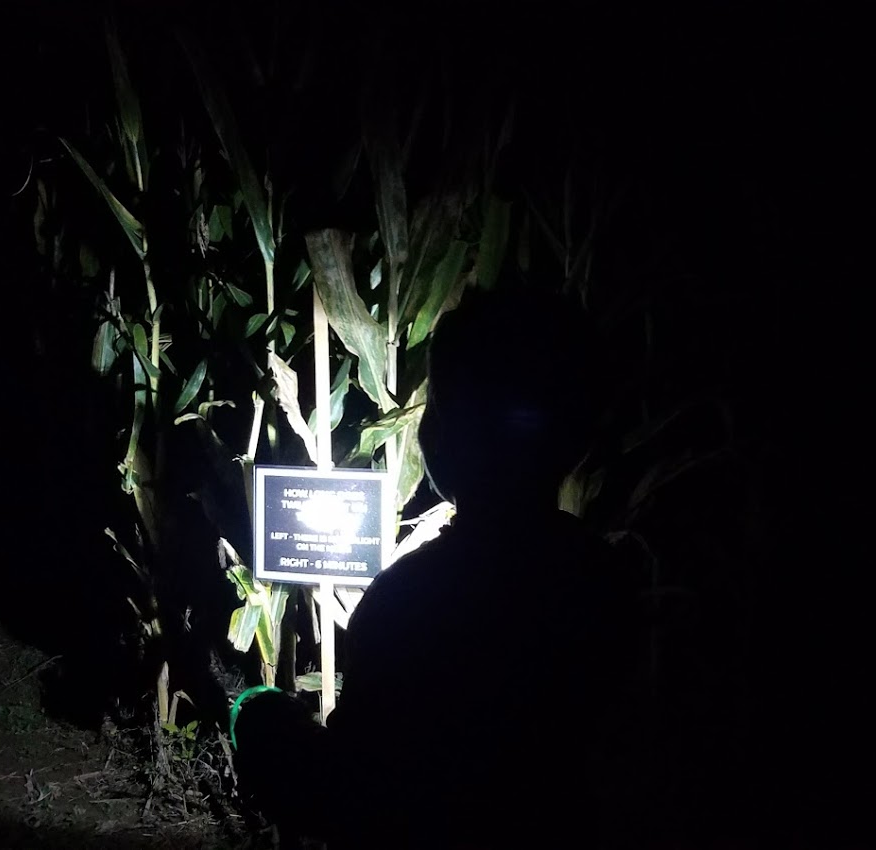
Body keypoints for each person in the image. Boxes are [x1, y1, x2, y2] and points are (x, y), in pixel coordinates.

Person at [231, 285, 630, 849]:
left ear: (446, 441)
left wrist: (261, 720)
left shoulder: (410, 601)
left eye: (436, 409)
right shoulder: (608, 585)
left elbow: (351, 795)